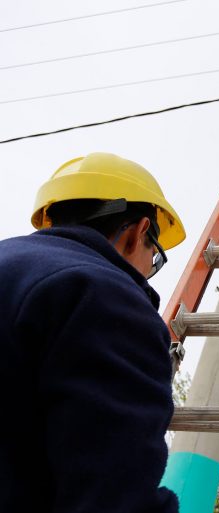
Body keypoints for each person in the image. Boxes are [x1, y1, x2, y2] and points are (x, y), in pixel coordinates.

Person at [0, 152, 186, 512]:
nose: (148, 272)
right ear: (138, 232)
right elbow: (114, 494)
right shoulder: (104, 295)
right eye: (155, 257)